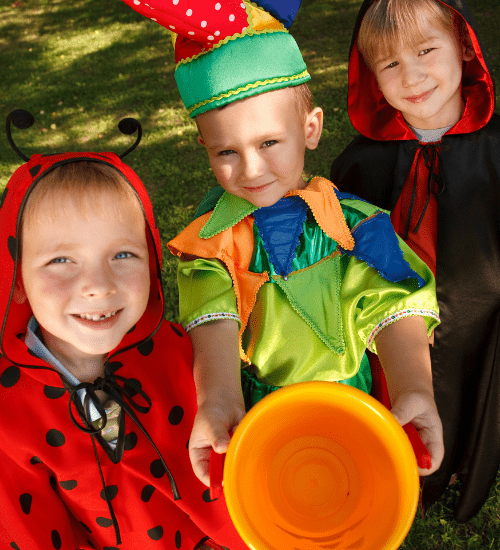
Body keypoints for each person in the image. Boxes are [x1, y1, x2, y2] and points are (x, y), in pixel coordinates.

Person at [121, 0, 444, 488]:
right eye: (227, 151)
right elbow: (213, 320)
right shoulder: (211, 242)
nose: (250, 170)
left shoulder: (355, 226)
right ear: (204, 147)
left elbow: (394, 303)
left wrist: (414, 386)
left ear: (310, 129)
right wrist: (219, 400)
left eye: (269, 142)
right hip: (260, 414)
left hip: (352, 407)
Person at [0, 113, 246, 550]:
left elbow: (233, 476)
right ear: (17, 279)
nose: (98, 285)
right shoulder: (9, 410)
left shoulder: (180, 354)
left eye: (123, 254)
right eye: (61, 260)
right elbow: (30, 531)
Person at [330, 0, 500, 522]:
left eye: (427, 50)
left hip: (482, 321)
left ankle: (468, 465)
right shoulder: (360, 164)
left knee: (474, 393)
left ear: (463, 49)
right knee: (402, 398)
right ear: (371, 78)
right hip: (395, 334)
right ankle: (406, 474)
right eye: (390, 65)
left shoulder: (495, 149)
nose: (412, 75)